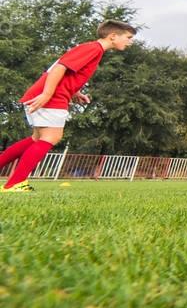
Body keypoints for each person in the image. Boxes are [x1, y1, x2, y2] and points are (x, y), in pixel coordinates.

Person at [0, 20, 136, 192]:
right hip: (51, 97)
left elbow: (66, 73)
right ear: (113, 36)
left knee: (36, 139)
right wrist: (47, 94)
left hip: (49, 94)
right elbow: (59, 68)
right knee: (51, 137)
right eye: (129, 37)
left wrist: (75, 92)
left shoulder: (94, 50)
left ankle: (15, 182)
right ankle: (14, 184)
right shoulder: (93, 48)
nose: (130, 42)